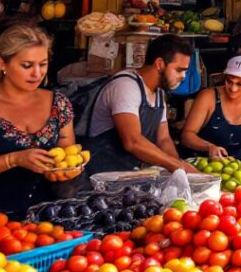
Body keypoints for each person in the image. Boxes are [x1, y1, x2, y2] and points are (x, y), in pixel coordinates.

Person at [0, 22, 76, 212]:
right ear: (2, 63)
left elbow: (68, 154)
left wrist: (61, 172)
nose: (37, 73)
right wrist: (13, 160)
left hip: (46, 222)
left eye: (43, 64)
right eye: (27, 65)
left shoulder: (59, 105)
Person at [84, 34, 200, 175]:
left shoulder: (158, 93)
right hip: (103, 175)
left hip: (130, 174)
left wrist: (178, 170)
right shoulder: (125, 86)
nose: (183, 76)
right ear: (159, 64)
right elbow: (132, 142)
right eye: (179, 70)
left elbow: (163, 139)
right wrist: (176, 165)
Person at [180, 55, 241, 165]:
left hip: (236, 171)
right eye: (229, 81)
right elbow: (187, 135)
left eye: (240, 84)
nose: (233, 88)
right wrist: (209, 147)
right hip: (201, 169)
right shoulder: (208, 97)